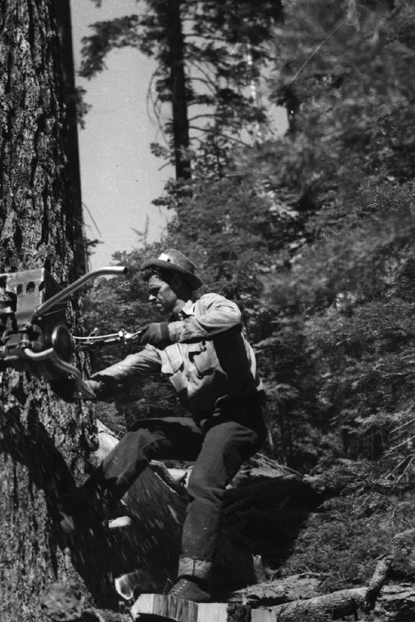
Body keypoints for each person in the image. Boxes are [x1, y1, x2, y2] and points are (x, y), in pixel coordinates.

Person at [72, 249, 268, 602]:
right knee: (144, 432)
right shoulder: (163, 346)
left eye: (155, 290)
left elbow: (232, 318)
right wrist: (80, 387)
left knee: (203, 482)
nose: (151, 298)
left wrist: (172, 330)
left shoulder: (209, 305)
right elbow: (124, 371)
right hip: (207, 425)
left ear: (177, 281)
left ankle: (195, 583)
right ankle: (85, 511)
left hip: (240, 418)